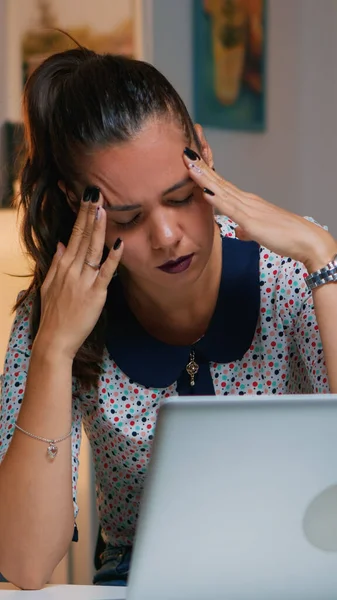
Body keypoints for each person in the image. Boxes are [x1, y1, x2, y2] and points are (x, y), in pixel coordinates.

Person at [1, 46, 337, 590]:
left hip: (301, 571)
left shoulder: (295, 273)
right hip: (142, 581)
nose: (165, 237)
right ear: (75, 199)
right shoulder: (55, 313)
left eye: (181, 197)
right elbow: (24, 565)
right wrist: (54, 348)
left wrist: (322, 255)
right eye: (128, 217)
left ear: (203, 153)